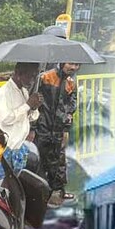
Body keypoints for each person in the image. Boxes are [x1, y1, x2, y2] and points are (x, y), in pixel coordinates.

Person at [0, 62, 42, 182]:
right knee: (1, 185)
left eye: (35, 77)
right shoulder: (3, 93)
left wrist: (33, 107)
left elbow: (29, 117)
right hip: (6, 147)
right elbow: (6, 118)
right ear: (18, 74)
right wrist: (27, 105)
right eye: (30, 76)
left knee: (16, 185)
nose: (32, 81)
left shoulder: (23, 91)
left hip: (18, 147)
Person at [35, 62, 80, 203]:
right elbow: (34, 101)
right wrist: (32, 127)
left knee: (59, 158)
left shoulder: (71, 81)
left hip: (59, 127)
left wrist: (66, 124)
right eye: (71, 63)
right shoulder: (45, 77)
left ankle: (58, 191)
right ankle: (40, 194)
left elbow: (72, 104)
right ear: (62, 62)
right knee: (39, 159)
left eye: (77, 65)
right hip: (43, 125)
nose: (73, 67)